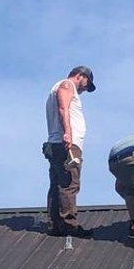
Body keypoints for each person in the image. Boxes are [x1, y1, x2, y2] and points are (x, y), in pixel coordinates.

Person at [44, 66, 96, 237]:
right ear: (80, 76)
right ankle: (69, 224)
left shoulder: (60, 87)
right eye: (86, 84)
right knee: (69, 182)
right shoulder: (66, 86)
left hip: (56, 143)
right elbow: (63, 108)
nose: (85, 89)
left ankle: (55, 224)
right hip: (67, 143)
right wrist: (68, 133)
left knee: (57, 183)